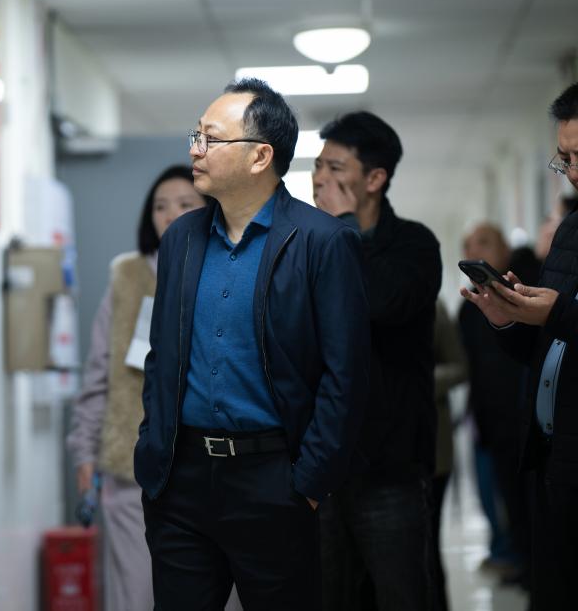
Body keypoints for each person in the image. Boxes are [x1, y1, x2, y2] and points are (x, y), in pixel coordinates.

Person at [135, 78, 370, 611]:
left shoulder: (323, 241)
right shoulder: (181, 239)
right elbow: (161, 357)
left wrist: (308, 484)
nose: (195, 150)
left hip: (274, 480)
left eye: (211, 139)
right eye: (196, 136)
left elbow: (346, 376)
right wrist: (151, 450)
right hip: (180, 480)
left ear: (261, 156)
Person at [67, 164, 216, 611]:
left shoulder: (225, 270)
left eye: (185, 204)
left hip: (207, 468)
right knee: (135, 591)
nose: (170, 215)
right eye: (160, 206)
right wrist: (85, 450)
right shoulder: (127, 275)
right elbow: (100, 372)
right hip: (132, 465)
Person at [312, 111, 443, 611]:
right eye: (318, 165)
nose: (320, 178)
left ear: (375, 179)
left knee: (400, 596)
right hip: (322, 466)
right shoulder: (307, 244)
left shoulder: (414, 244)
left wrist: (345, 228)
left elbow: (382, 302)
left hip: (391, 466)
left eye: (335, 168)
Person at [460, 82, 578, 610]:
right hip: (554, 456)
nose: (573, 172)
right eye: (565, 159)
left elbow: (563, 316)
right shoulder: (570, 233)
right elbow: (548, 347)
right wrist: (507, 320)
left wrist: (557, 312)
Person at [458, 224, 531, 588]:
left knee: (533, 500)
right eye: (470, 247)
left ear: (504, 248)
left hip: (528, 417)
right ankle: (523, 563)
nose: (476, 252)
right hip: (492, 420)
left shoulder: (525, 293)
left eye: (484, 243)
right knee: (507, 500)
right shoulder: (468, 310)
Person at [431, 298, 468, 611]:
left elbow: (459, 367)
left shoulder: (434, 307)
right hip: (377, 455)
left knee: (428, 546)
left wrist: (420, 379)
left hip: (433, 448)